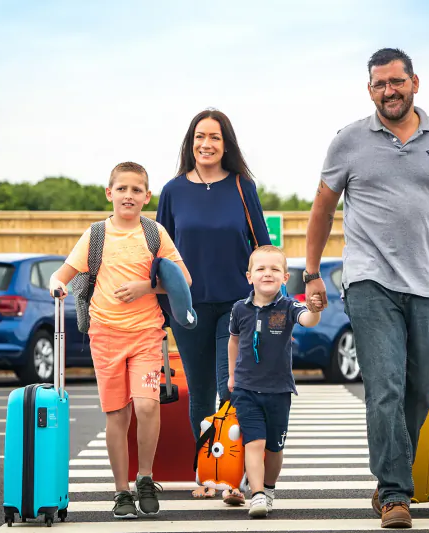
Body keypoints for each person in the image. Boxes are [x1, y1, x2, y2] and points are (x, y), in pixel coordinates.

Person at [304, 48, 429, 529]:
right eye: (379, 84)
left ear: (415, 82)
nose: (388, 91)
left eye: (396, 82)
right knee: (385, 388)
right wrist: (312, 271)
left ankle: (387, 478)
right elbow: (322, 206)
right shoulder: (349, 142)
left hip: (424, 283)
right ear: (370, 90)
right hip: (368, 281)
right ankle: (396, 493)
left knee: (421, 389)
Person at [49, 162, 191, 519]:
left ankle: (145, 477)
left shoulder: (154, 233)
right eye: (122, 189)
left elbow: (183, 279)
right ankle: (121, 491)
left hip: (146, 333)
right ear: (109, 194)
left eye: (136, 189)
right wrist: (57, 283)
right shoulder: (96, 234)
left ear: (147, 197)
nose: (129, 195)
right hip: (105, 335)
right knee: (118, 415)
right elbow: (62, 272)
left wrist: (148, 286)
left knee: (146, 406)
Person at [156, 108, 271, 502]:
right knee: (201, 393)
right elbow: (161, 253)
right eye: (200, 137)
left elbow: (262, 244)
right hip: (185, 307)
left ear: (226, 145)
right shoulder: (173, 191)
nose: (206, 144)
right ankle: (206, 473)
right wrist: (159, 305)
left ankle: (232, 477)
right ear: (190, 142)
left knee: (230, 387)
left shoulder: (242, 186)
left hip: (236, 306)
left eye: (215, 138)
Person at [227, 245, 321, 518]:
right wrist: (232, 375)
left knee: (274, 447)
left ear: (285, 277)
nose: (267, 274)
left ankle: (268, 488)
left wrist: (315, 309)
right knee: (253, 442)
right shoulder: (239, 309)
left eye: (274, 269)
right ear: (249, 276)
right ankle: (256, 495)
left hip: (279, 390)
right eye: (260, 269)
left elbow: (309, 320)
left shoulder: (290, 306)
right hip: (246, 389)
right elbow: (233, 341)